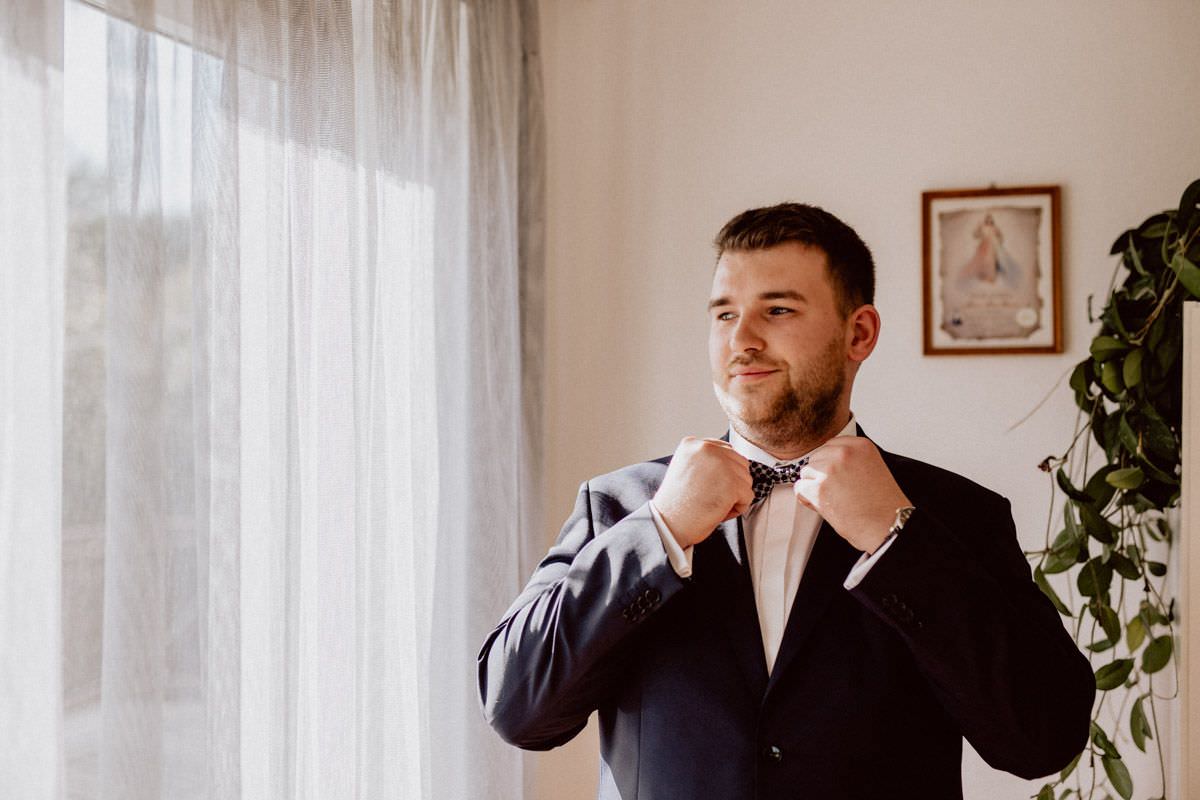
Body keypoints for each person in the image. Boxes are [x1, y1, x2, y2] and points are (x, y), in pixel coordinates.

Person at [477, 202, 1094, 799]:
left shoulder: (958, 516)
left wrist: (897, 539)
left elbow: (1042, 738)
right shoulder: (620, 505)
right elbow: (517, 709)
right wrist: (659, 532)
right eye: (723, 315)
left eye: (776, 310)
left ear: (859, 333)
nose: (741, 339)